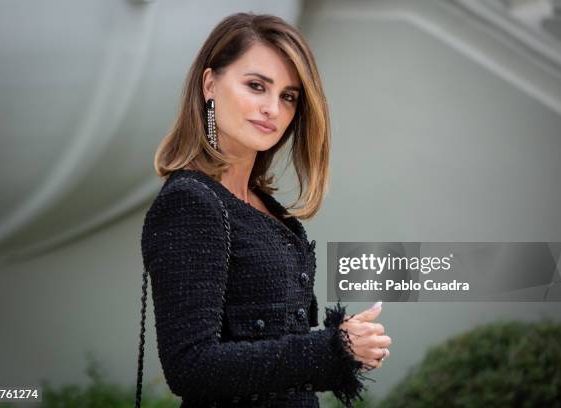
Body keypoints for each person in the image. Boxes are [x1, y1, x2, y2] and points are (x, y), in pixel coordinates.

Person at [137, 12, 392, 408]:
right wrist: (333, 349)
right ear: (210, 84)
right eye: (257, 86)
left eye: (288, 96)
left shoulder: (263, 205)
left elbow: (273, 339)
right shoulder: (191, 203)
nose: (273, 108)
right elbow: (190, 365)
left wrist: (347, 339)